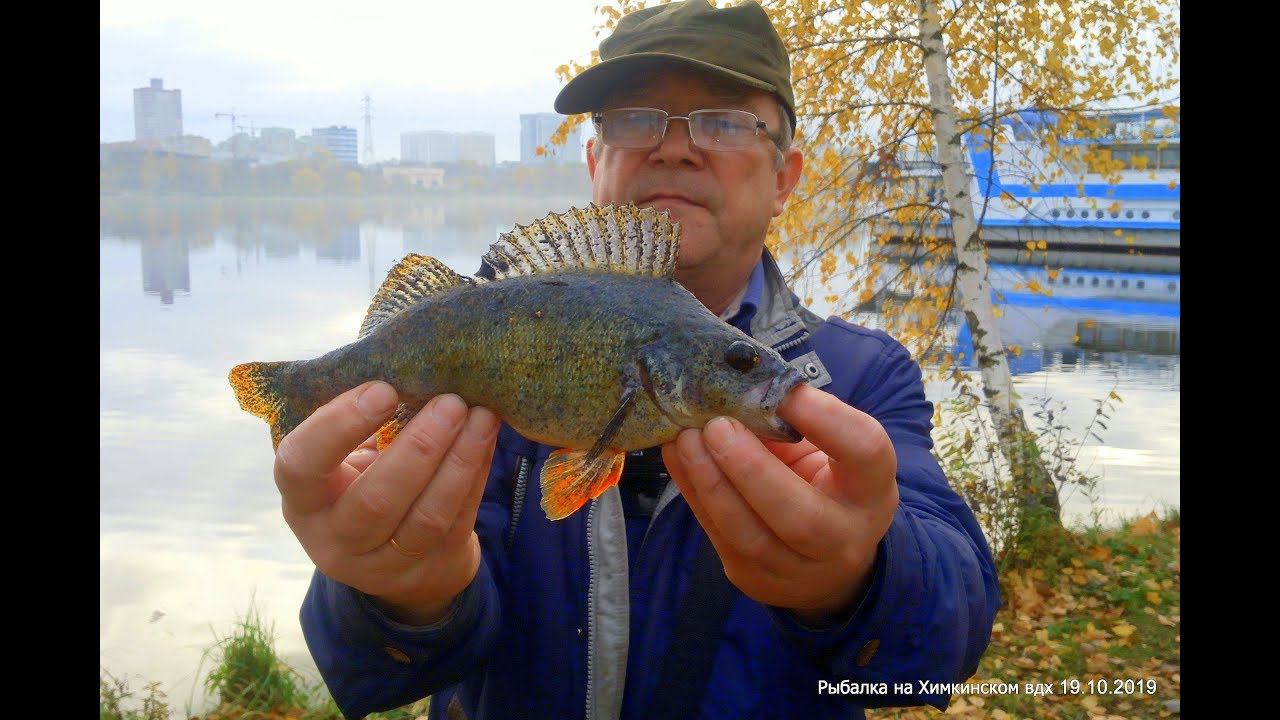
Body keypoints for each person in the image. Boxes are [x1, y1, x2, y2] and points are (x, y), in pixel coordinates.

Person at [283, 2, 1000, 718]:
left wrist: (858, 577)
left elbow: (945, 643)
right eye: (634, 119)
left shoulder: (864, 374)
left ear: (785, 179)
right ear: (596, 162)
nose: (675, 149)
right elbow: (369, 672)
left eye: (724, 121)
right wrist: (402, 592)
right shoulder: (488, 332)